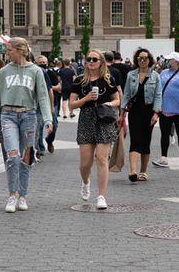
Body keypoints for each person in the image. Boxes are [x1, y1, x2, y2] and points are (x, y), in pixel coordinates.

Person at [0, 37, 53, 213]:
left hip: (29, 116)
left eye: (9, 50)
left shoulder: (36, 71)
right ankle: (12, 195)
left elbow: (43, 97)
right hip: (8, 115)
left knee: (26, 158)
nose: (7, 53)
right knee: (12, 156)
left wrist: (48, 119)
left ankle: (22, 196)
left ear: (20, 51)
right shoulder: (4, 72)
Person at [69, 50, 120, 209]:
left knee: (101, 158)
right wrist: (85, 98)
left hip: (104, 119)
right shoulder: (80, 80)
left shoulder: (108, 79)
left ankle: (101, 196)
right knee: (86, 163)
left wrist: (108, 104)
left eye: (94, 59)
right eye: (89, 59)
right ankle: (86, 182)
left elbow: (117, 100)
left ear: (101, 62)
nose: (91, 61)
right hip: (86, 119)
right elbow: (72, 104)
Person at [118, 48, 161, 182]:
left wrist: (156, 113)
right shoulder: (131, 75)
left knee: (146, 141)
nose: (142, 61)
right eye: (139, 58)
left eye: (145, 58)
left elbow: (158, 96)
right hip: (135, 111)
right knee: (135, 139)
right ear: (136, 60)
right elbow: (126, 94)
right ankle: (133, 171)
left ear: (149, 60)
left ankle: (143, 171)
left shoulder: (155, 76)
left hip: (149, 112)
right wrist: (121, 114)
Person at [152, 51, 179, 168]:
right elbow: (157, 88)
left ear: (176, 61)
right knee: (164, 133)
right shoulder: (163, 73)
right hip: (165, 108)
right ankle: (163, 157)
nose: (167, 62)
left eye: (169, 60)